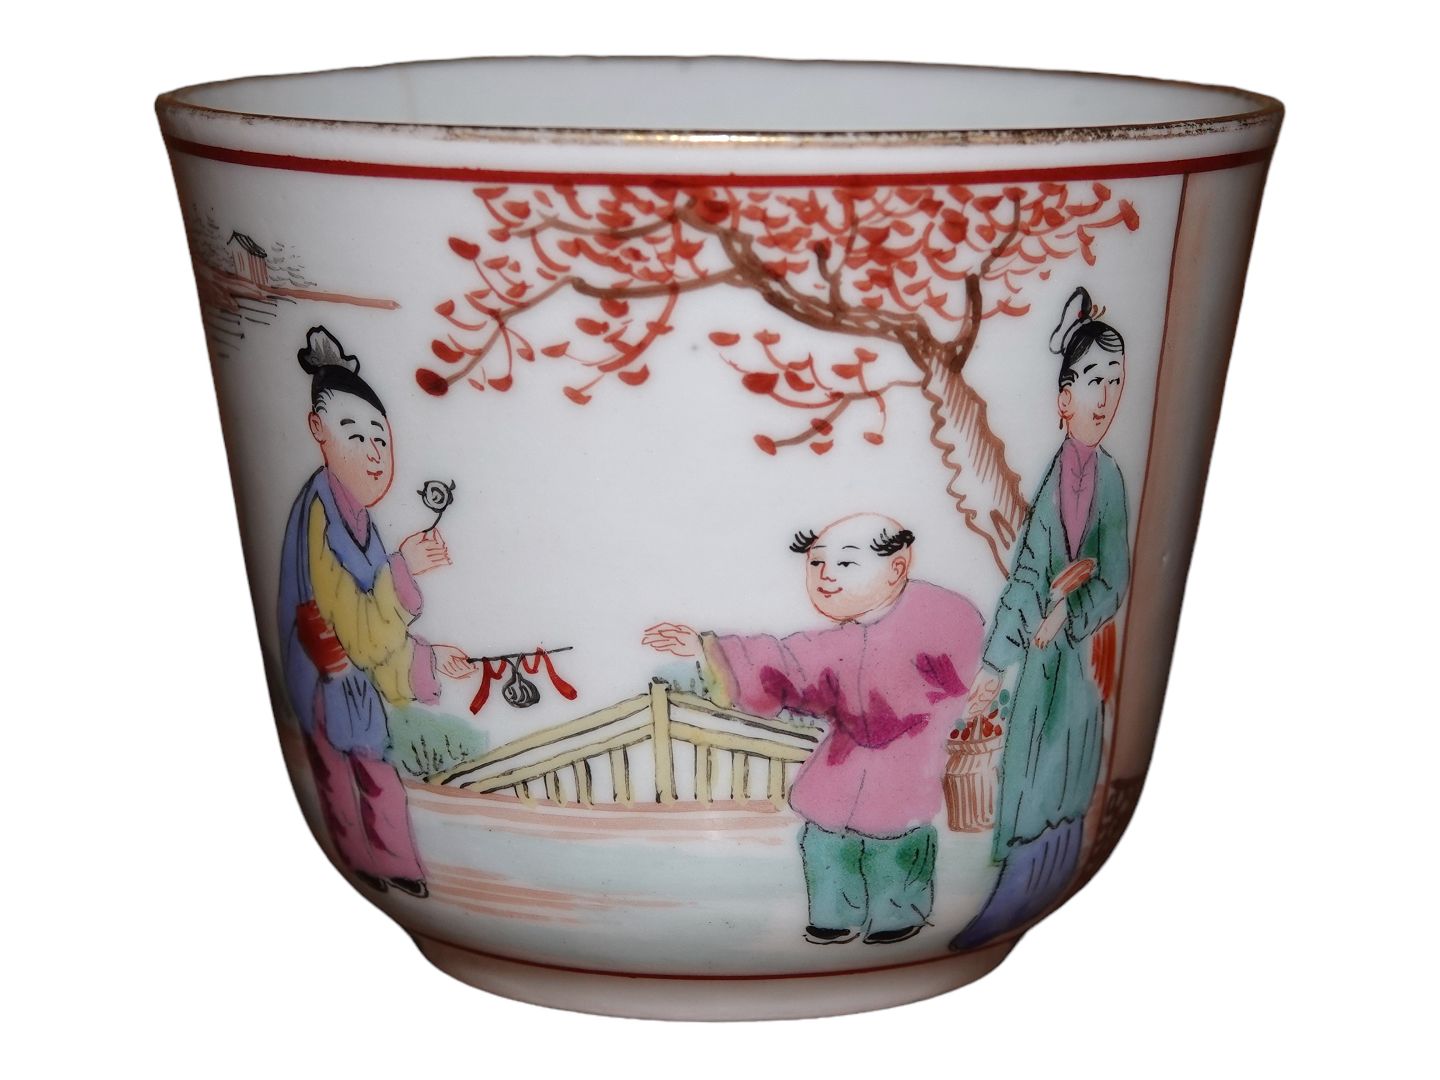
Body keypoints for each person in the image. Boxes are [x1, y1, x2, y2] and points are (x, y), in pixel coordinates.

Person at [645, 513, 984, 945]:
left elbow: (955, 679)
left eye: (846, 563)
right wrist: (706, 649)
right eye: (816, 563)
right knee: (826, 838)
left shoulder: (939, 618)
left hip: (905, 766)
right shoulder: (839, 643)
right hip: (843, 768)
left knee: (896, 842)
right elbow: (787, 664)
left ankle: (897, 914)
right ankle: (834, 915)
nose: (825, 576)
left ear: (897, 566)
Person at [950, 287, 1132, 950]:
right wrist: (994, 666)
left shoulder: (1111, 480)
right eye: (1092, 381)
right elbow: (1027, 577)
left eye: (1115, 381)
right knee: (1027, 781)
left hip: (1079, 662)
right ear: (1063, 399)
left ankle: (1032, 883)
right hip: (1038, 666)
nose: (1105, 398)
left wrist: (1070, 614)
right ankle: (1010, 890)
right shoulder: (1055, 478)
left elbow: (1114, 576)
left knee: (1066, 774)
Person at [277, 326, 475, 899]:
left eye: (380, 439)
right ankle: (373, 861)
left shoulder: (358, 520)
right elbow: (359, 632)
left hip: (352, 681)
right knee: (341, 769)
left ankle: (395, 862)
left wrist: (429, 660)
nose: (372, 452)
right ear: (317, 431)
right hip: (322, 676)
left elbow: (371, 634)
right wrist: (403, 569)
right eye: (353, 433)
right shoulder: (322, 516)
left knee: (373, 764)